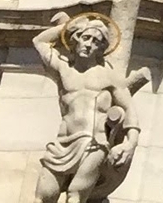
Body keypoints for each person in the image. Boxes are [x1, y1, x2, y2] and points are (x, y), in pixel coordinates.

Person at [29, 13, 149, 203]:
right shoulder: (63, 69)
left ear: (101, 48)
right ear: (76, 40)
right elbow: (39, 42)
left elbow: (130, 112)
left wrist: (129, 144)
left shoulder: (108, 76)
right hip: (63, 144)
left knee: (75, 196)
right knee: (43, 196)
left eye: (95, 41)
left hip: (94, 143)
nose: (89, 44)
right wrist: (68, 26)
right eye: (85, 38)